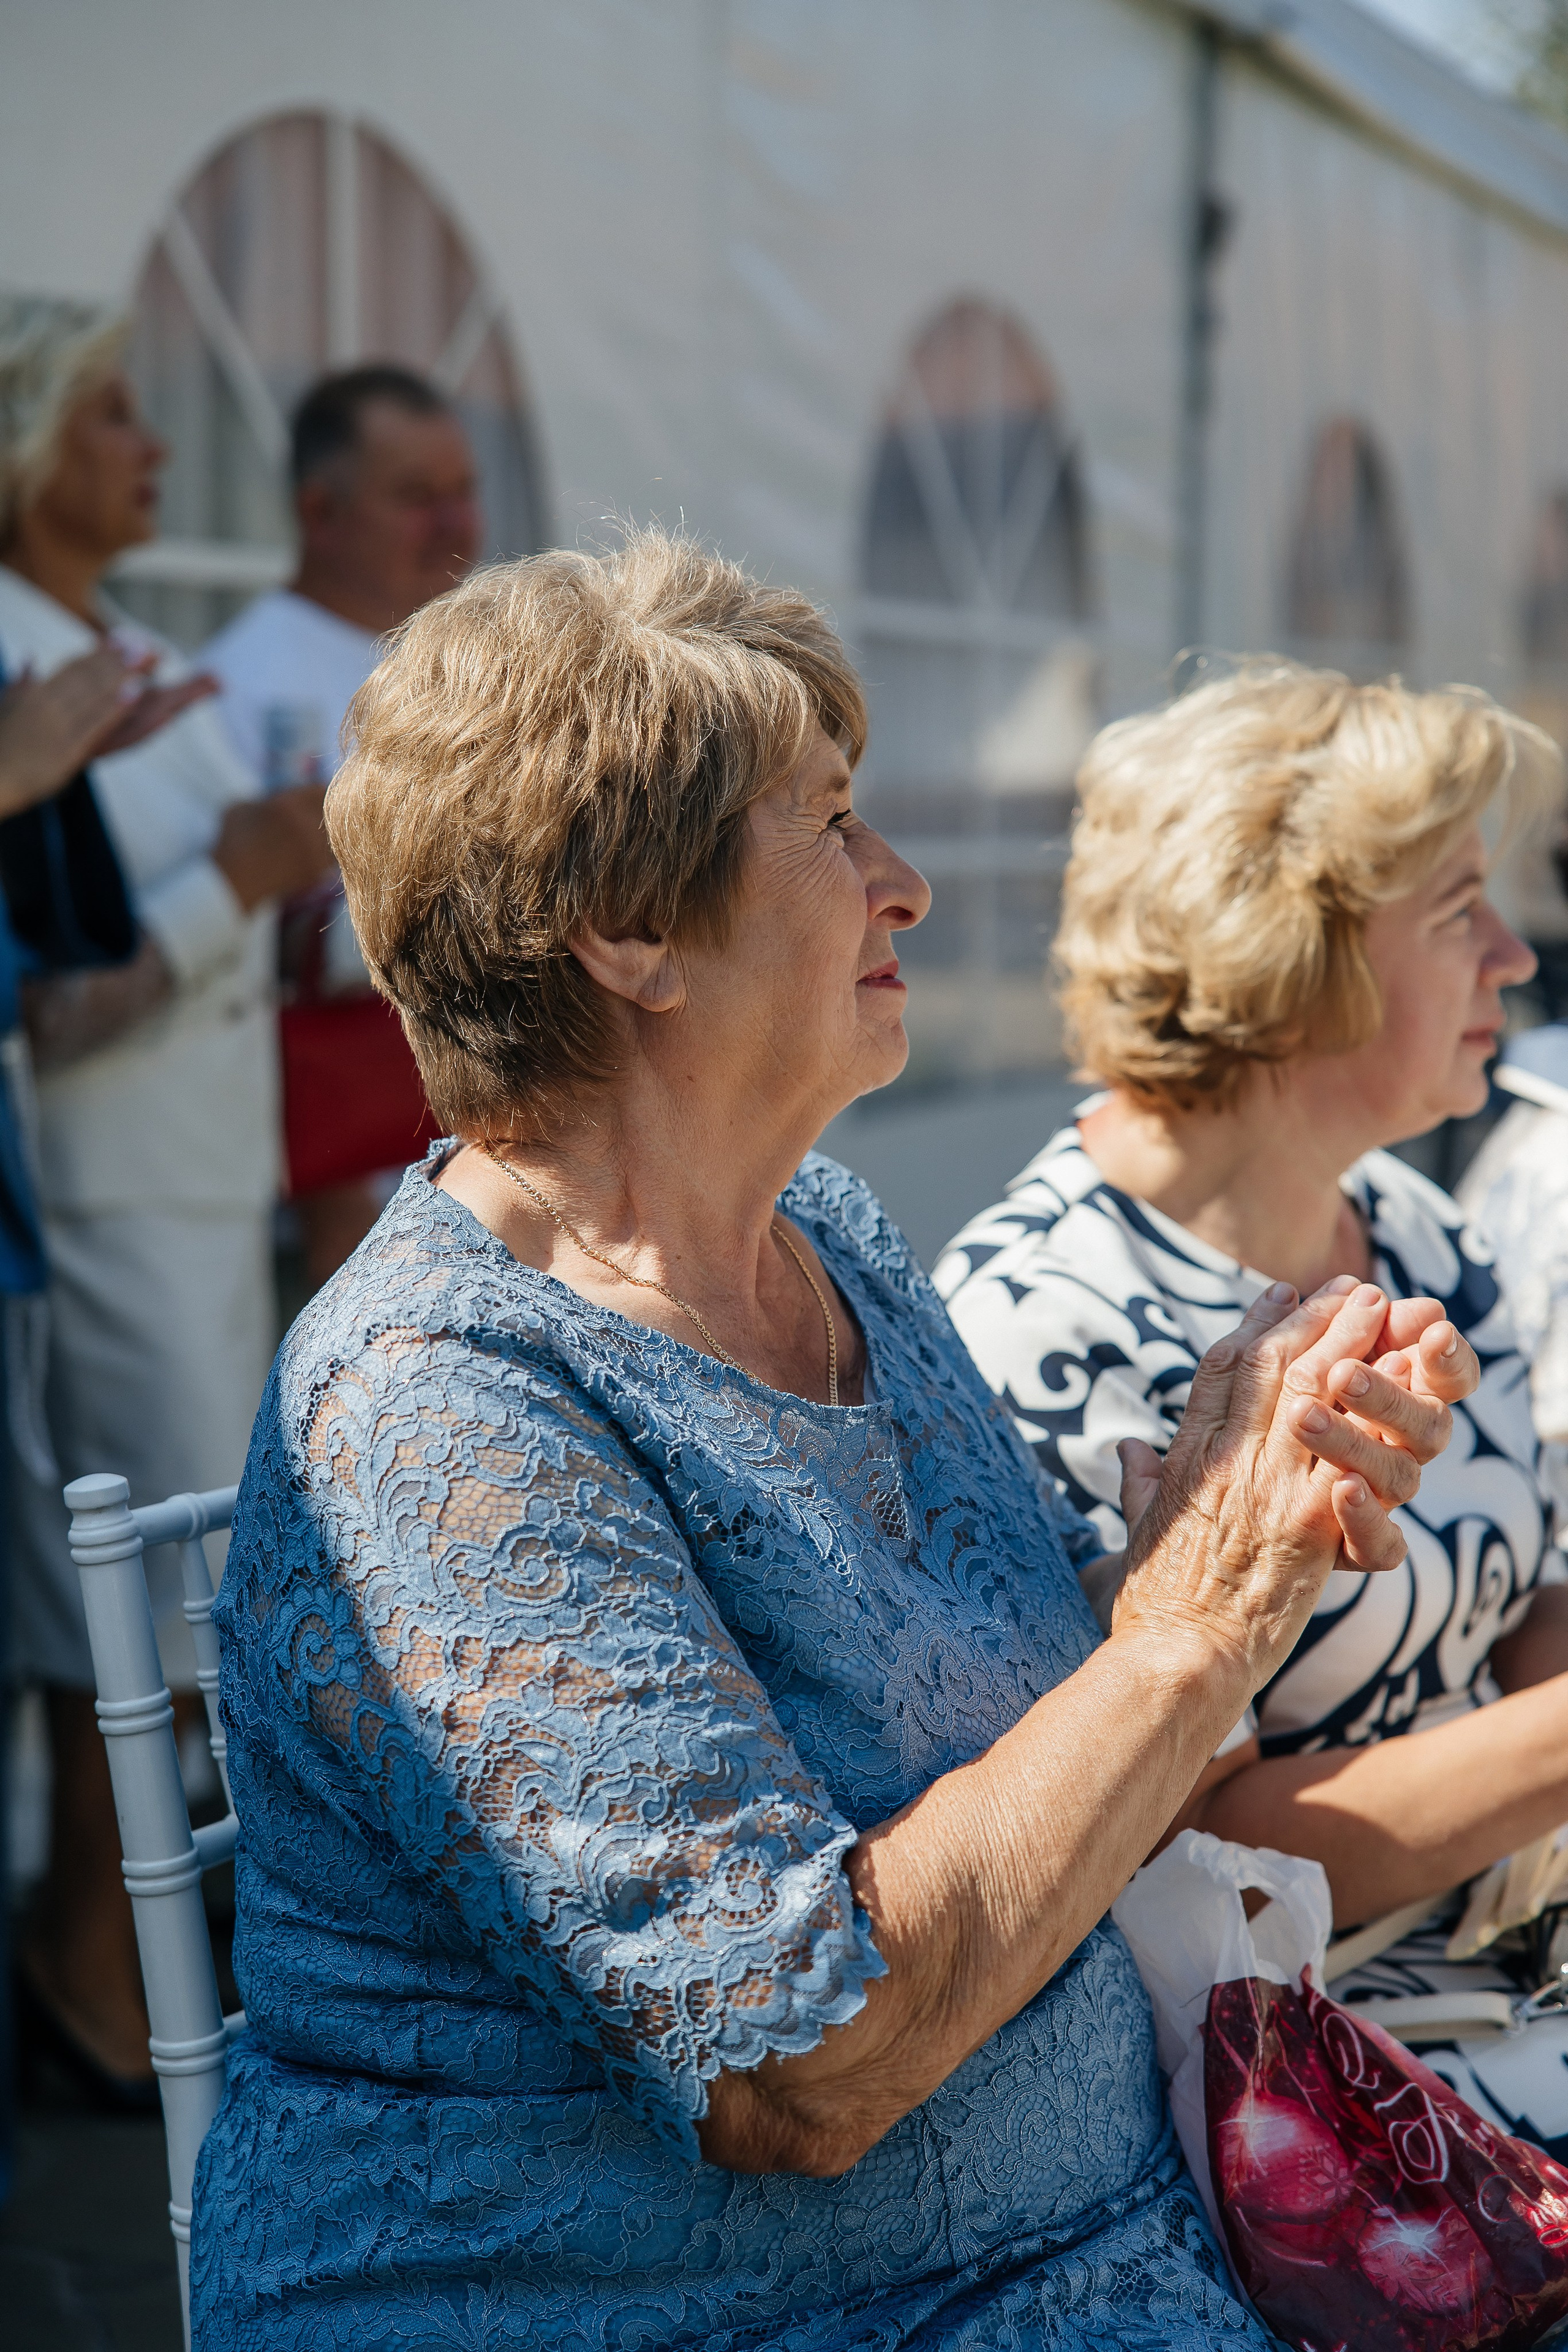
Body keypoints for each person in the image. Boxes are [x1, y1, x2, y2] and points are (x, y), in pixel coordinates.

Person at [193, 538, 1475, 2349]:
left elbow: (991, 1719)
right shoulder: (434, 1407)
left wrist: (1222, 1504)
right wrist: (1200, 1617)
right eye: (834, 823)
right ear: (627, 932)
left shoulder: (835, 1239)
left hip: (1106, 2241)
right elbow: (800, 2066)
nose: (909, 888)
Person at [936, 657, 1568, 2150]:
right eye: (1454, 911)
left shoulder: (1410, 1223)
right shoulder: (1046, 1319)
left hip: (1501, 1968)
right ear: (1295, 957)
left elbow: (1529, 1597)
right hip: (1297, 2071)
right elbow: (1202, 1846)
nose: (1515, 957)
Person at [0, 293, 334, 2101]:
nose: (151, 445)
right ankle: (90, 1985)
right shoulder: (18, 659)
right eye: (111, 411)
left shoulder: (109, 643)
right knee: (109, 1627)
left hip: (202, 1193)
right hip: (107, 1202)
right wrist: (237, 879)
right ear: (22, 438)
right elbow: (46, 1000)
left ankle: (109, 1974)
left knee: (158, 1616)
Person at [202, 365, 481, 1286]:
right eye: (415, 496)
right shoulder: (239, 686)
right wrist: (330, 1185)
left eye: (463, 491)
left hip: (473, 1171)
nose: (454, 522)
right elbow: (244, 955)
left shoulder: (473, 668)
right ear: (321, 512)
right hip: (332, 1199)